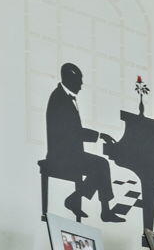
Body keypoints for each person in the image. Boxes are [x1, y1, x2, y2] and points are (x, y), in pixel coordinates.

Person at [44, 63, 117, 221]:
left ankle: (78, 200)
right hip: (60, 156)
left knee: (100, 166)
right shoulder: (59, 99)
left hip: (70, 154)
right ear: (69, 79)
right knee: (101, 165)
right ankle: (98, 209)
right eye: (79, 80)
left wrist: (99, 136)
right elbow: (73, 132)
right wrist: (100, 135)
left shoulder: (63, 97)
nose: (82, 84)